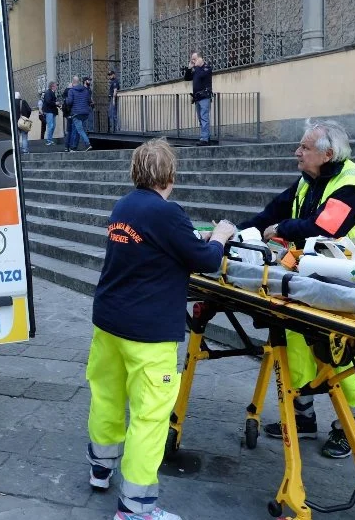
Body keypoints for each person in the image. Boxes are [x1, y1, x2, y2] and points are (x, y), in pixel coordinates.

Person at [86, 138, 236, 520]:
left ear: (136, 171)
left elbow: (154, 246)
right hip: (147, 332)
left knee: (106, 395)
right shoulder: (168, 213)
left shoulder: (124, 205)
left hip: (109, 321)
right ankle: (135, 508)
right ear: (169, 175)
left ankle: (101, 469)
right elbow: (204, 261)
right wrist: (219, 236)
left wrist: (189, 238)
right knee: (150, 417)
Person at [236, 120, 355, 459]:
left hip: (353, 283)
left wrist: (280, 228)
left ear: (327, 153)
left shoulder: (351, 184)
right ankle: (303, 417)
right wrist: (235, 231)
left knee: (342, 352)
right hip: (313, 280)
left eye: (304, 147)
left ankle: (350, 426)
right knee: (296, 341)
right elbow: (270, 212)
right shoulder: (309, 180)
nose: (297, 152)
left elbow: (323, 228)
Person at [183, 51, 213, 145]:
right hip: (197, 98)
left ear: (200, 58)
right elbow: (187, 78)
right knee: (201, 119)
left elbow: (201, 76)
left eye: (194, 59)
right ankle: (206, 136)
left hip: (204, 97)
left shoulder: (206, 68)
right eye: (192, 59)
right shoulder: (196, 69)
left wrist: (199, 66)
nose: (193, 61)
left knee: (204, 118)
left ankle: (204, 139)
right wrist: (189, 68)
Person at [65, 75, 93, 152]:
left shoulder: (71, 91)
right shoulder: (85, 90)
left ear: (73, 83)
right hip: (85, 113)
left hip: (76, 113)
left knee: (80, 130)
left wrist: (66, 99)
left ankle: (88, 144)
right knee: (77, 129)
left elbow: (69, 102)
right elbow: (89, 101)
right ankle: (74, 146)